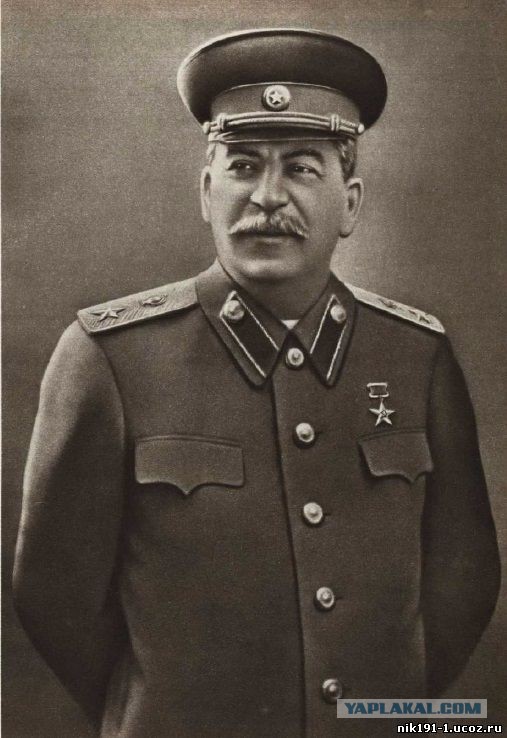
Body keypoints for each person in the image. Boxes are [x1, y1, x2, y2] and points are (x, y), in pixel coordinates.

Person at [13, 28, 500, 738]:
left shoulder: (414, 355)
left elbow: (465, 578)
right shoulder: (109, 357)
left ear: (350, 203)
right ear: (207, 192)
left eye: (301, 168)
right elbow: (53, 597)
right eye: (242, 166)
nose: (268, 197)